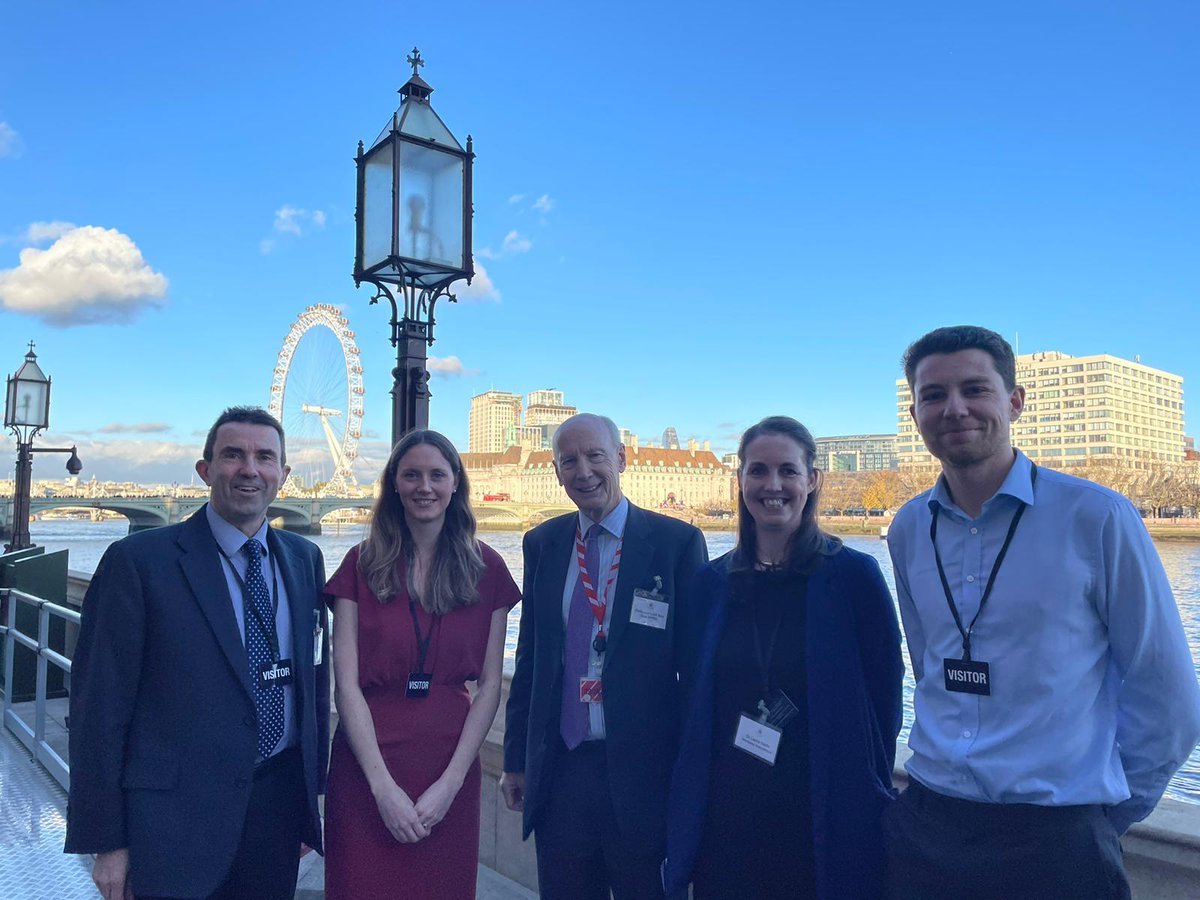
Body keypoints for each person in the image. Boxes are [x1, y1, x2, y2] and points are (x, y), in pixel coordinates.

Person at [885, 325, 1200, 899]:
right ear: (915, 413)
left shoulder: (1099, 516)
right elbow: (930, 663)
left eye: (975, 389)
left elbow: (1167, 695)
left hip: (1056, 840)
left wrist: (1101, 817)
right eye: (934, 395)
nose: (954, 409)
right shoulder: (908, 527)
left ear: (1015, 401)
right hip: (927, 824)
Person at [65, 407, 330, 900]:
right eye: (233, 455)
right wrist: (105, 840)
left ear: (284, 475)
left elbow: (312, 683)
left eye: (264, 457)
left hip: (275, 808)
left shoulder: (304, 559)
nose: (249, 469)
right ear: (205, 470)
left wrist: (306, 807)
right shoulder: (139, 562)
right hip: (171, 821)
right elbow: (98, 708)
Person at [663, 415, 903, 898]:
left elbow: (884, 695)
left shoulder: (853, 577)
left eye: (788, 471)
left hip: (821, 807)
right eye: (758, 471)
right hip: (727, 812)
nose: (773, 485)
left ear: (813, 480)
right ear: (741, 480)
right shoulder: (711, 584)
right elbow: (693, 691)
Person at [500, 413, 708, 899]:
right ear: (556, 473)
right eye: (568, 461)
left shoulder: (677, 544)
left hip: (644, 777)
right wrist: (516, 758)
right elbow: (531, 657)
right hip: (563, 774)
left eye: (595, 456)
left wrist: (694, 776)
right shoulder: (543, 543)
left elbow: (696, 673)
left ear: (622, 458)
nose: (583, 471)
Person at [323, 429, 519, 899]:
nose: (424, 487)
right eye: (411, 475)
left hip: (448, 765)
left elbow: (490, 685)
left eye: (437, 475)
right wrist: (381, 788)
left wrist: (450, 785)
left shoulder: (487, 569)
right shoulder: (359, 563)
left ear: (456, 484)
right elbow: (344, 685)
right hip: (366, 767)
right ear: (394, 484)